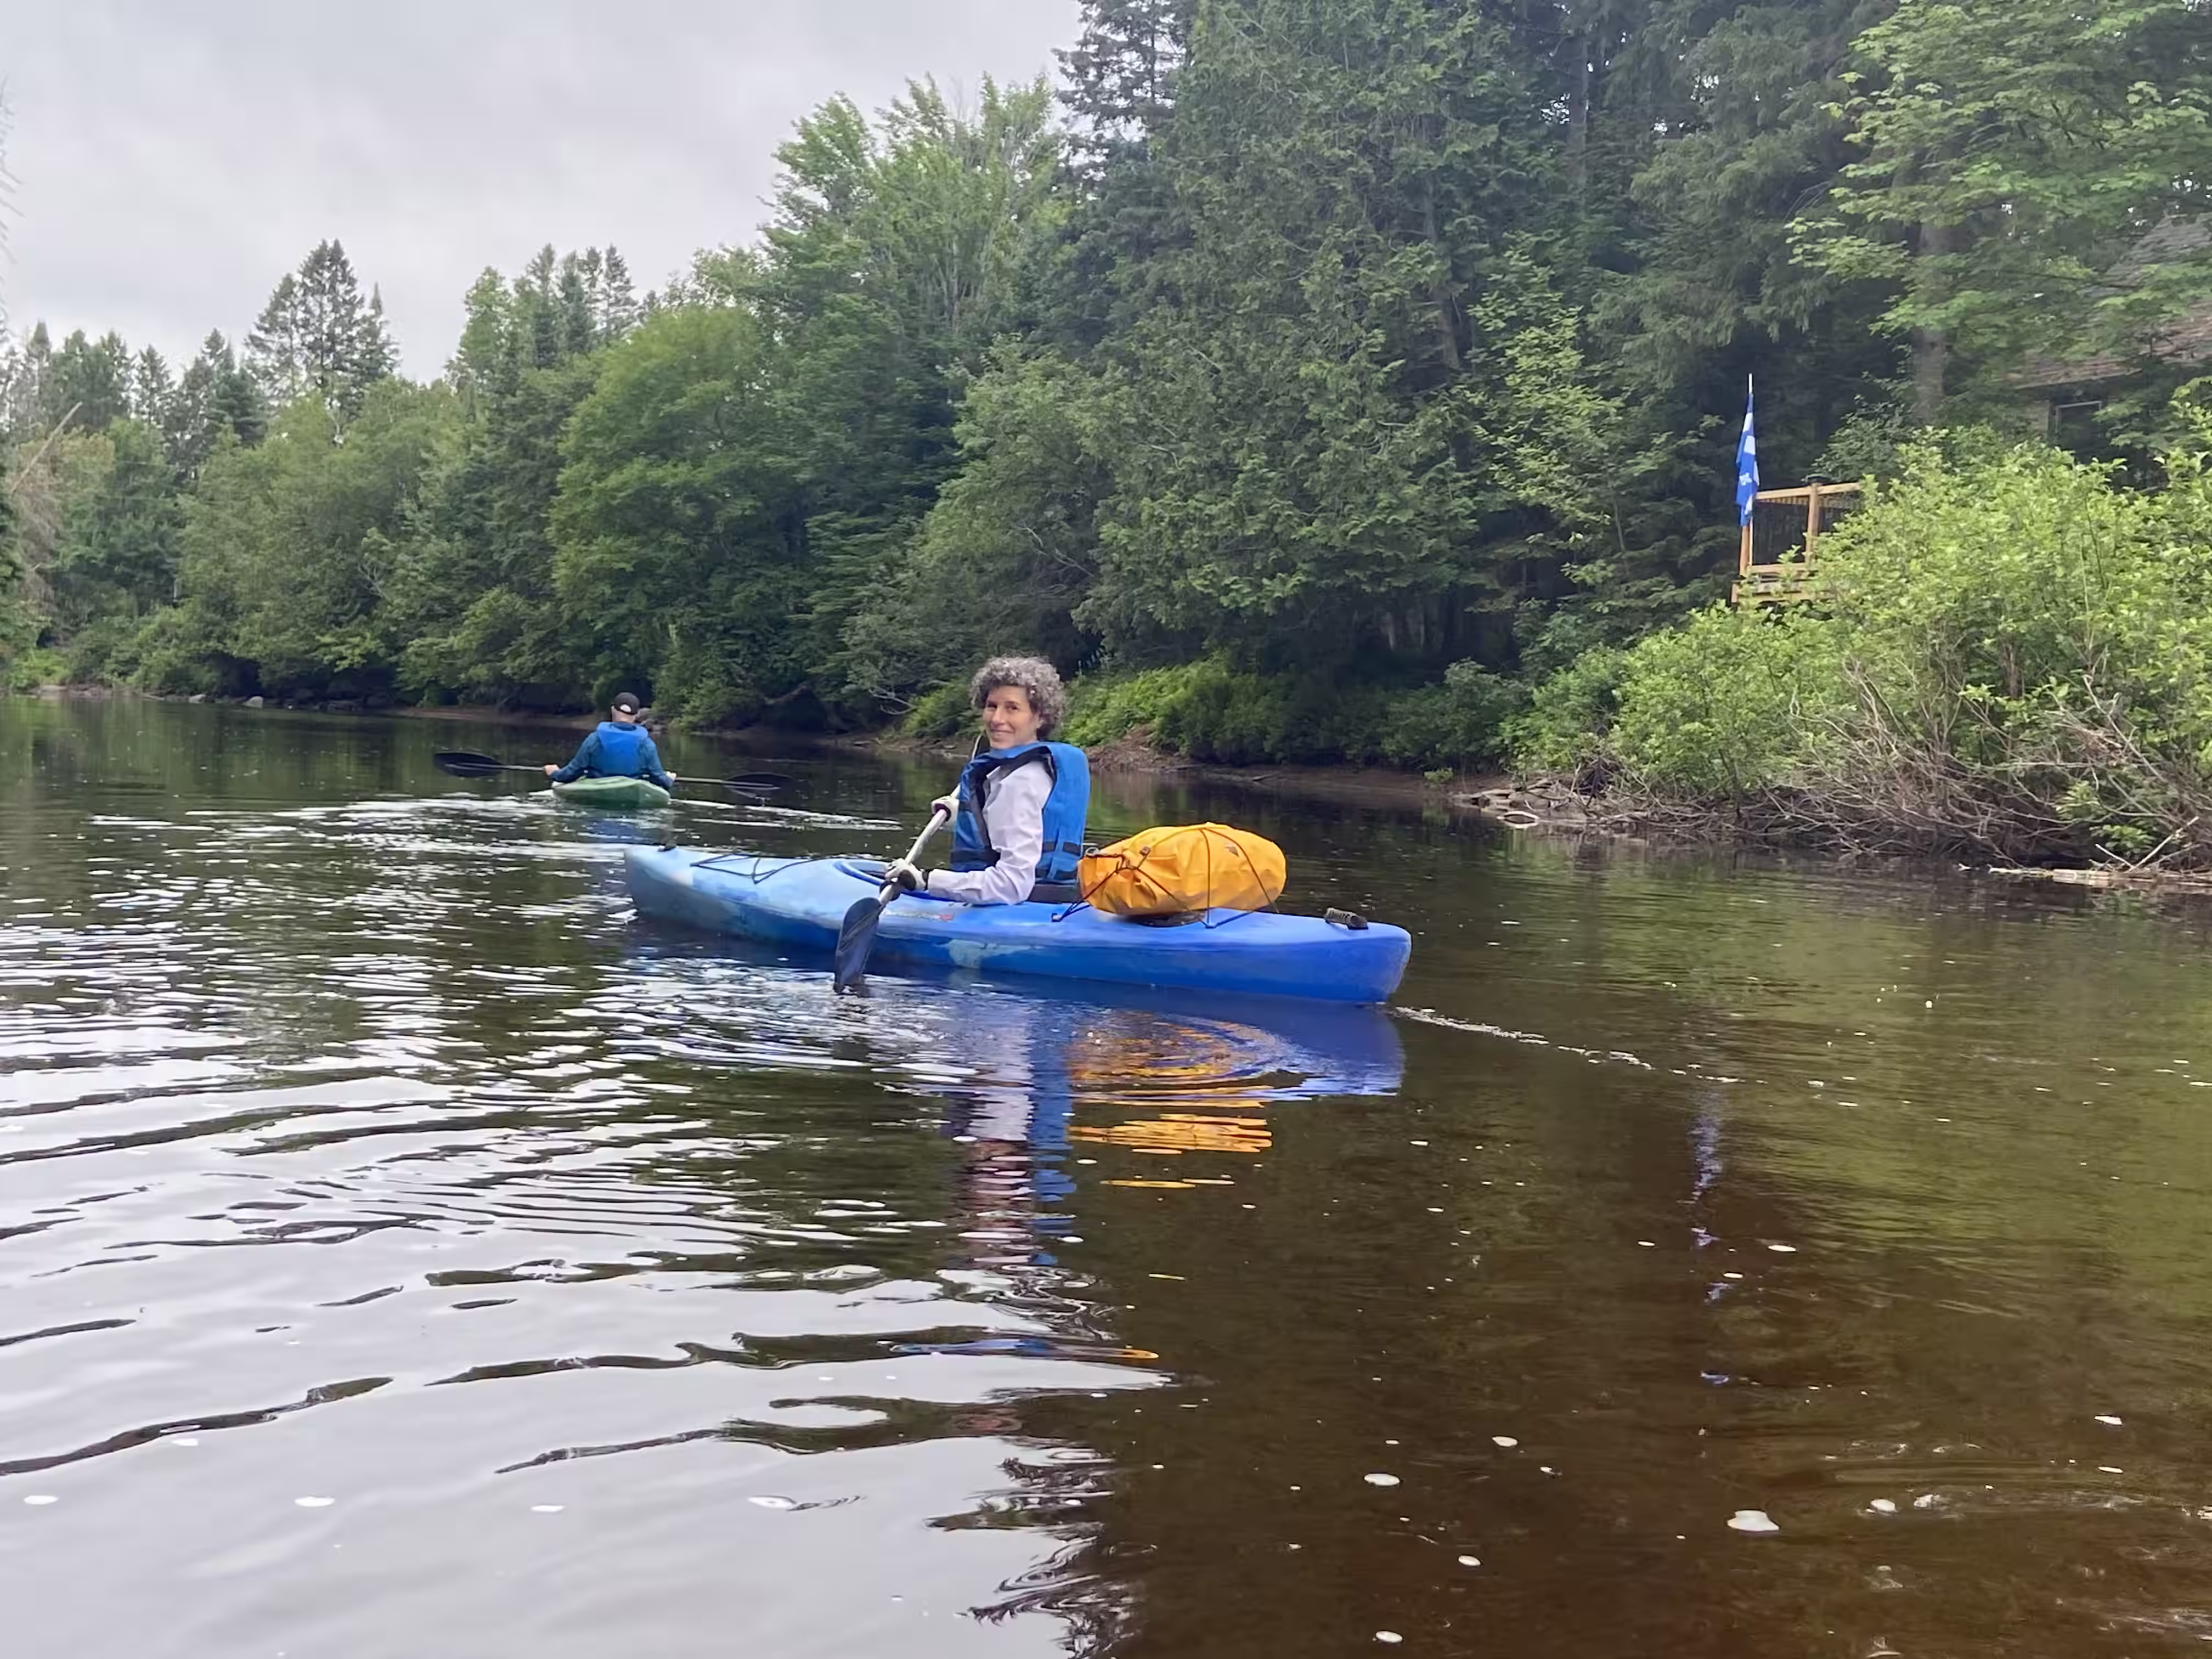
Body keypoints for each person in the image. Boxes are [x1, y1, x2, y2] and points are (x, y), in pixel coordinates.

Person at [884, 656, 1089, 907]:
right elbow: (1028, 826)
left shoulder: (1018, 782)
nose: (996, 719)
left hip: (1019, 910)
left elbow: (1012, 885)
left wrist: (926, 880)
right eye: (992, 706)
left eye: (1012, 708)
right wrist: (964, 816)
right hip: (1057, 903)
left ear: (1040, 718)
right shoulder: (1040, 768)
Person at [544, 692, 678, 791]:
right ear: (636, 715)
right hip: (631, 791)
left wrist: (555, 773)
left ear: (613, 710)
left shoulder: (595, 739)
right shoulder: (647, 744)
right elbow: (659, 778)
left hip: (597, 788)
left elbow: (572, 773)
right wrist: (669, 779)